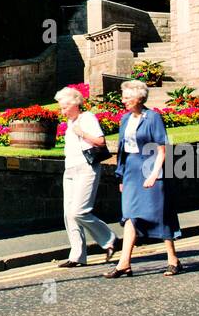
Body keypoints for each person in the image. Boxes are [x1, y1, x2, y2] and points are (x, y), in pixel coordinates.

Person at [106, 79, 182, 277]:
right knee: (130, 215)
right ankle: (124, 263)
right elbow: (122, 150)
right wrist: (121, 176)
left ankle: (172, 258)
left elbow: (162, 149)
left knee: (159, 213)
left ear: (139, 98)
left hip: (150, 168)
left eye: (127, 97)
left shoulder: (153, 117)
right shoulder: (125, 119)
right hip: (131, 170)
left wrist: (155, 174)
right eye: (123, 97)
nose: (123, 101)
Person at [56, 85, 118, 268]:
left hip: (86, 168)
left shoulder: (87, 118)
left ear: (75, 104)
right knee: (69, 214)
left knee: (79, 211)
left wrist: (82, 133)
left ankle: (109, 239)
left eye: (64, 107)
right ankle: (77, 256)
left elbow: (101, 141)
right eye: (61, 107)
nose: (62, 111)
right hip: (70, 170)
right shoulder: (69, 123)